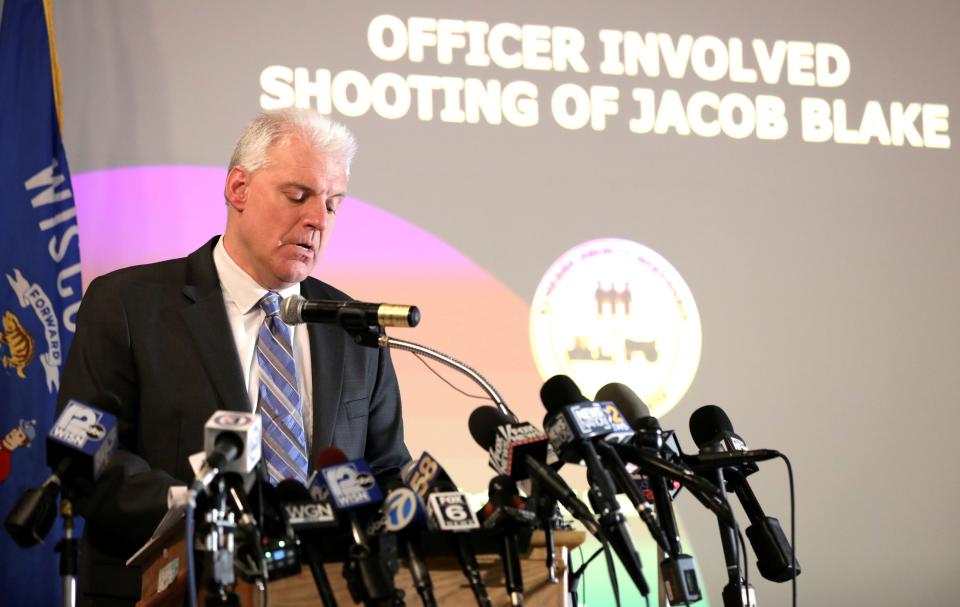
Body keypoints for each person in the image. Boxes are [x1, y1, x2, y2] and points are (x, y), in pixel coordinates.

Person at [57, 108, 410, 606]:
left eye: (333, 204)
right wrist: (202, 510)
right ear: (238, 189)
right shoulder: (129, 304)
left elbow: (387, 465)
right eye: (298, 195)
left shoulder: (350, 326)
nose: (317, 219)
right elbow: (90, 457)